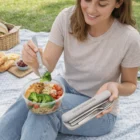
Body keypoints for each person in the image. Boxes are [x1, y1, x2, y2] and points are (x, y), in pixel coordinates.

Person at [0, 0, 140, 139]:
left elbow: (131, 85)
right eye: (87, 0)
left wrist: (114, 86)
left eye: (102, 4)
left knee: (45, 109)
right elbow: (46, 68)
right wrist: (35, 62)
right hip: (67, 87)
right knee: (30, 99)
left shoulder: (130, 38)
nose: (91, 10)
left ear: (118, 3)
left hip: (98, 108)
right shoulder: (66, 18)